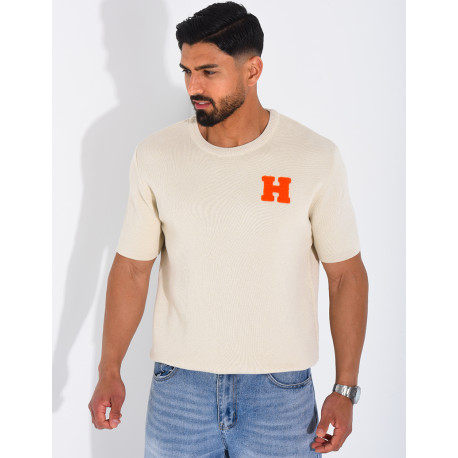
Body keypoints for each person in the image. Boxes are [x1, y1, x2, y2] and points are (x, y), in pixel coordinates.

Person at [88, 2, 369, 456]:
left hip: (280, 393)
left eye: (208, 72)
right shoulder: (156, 155)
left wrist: (346, 388)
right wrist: (109, 369)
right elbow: (133, 269)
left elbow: (345, 276)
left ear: (252, 69)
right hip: (179, 390)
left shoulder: (313, 157)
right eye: (186, 71)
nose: (193, 87)